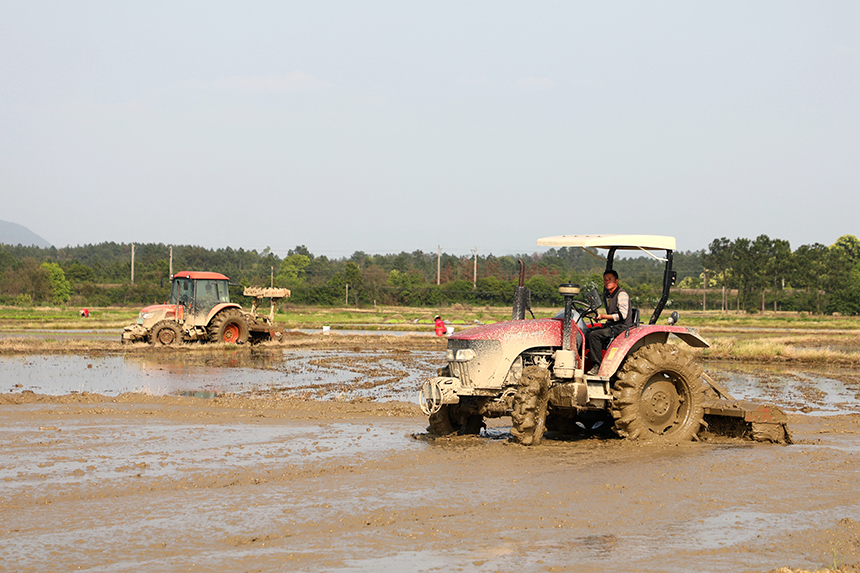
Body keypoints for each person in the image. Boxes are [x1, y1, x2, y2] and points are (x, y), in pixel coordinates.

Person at [585, 270, 632, 375]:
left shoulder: (622, 294)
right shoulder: (610, 296)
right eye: (605, 280)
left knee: (594, 335)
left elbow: (622, 315)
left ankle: (597, 366)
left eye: (610, 279)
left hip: (621, 327)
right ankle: (584, 363)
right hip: (612, 326)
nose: (607, 282)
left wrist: (603, 316)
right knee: (586, 333)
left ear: (617, 281)